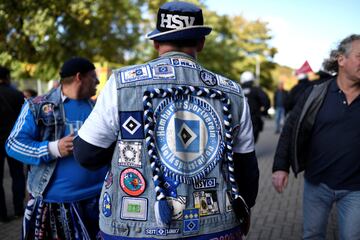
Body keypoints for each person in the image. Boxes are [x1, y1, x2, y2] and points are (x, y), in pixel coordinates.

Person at [73, 1, 259, 239]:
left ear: (156, 43)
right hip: (217, 227)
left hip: (134, 228)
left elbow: (86, 154)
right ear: (201, 43)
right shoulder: (231, 92)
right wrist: (245, 209)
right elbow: (246, 168)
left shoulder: (122, 84)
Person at [6, 57, 107, 239]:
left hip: (99, 200)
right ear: (79, 77)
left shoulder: (98, 107)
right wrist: (54, 148)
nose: (98, 82)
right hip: (56, 204)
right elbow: (13, 145)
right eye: (94, 77)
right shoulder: (37, 106)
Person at [272, 34, 360, 239]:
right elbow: (290, 129)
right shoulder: (315, 94)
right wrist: (280, 167)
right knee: (312, 235)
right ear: (341, 59)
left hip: (356, 188)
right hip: (317, 183)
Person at [0, 66, 26, 222]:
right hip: (14, 141)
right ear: (8, 77)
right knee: (17, 175)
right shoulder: (17, 94)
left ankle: (2, 215)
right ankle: (18, 209)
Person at [240, 71, 270, 143]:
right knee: (252, 139)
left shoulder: (237, 90)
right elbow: (266, 101)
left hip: (239, 118)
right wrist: (264, 112)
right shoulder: (256, 90)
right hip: (254, 118)